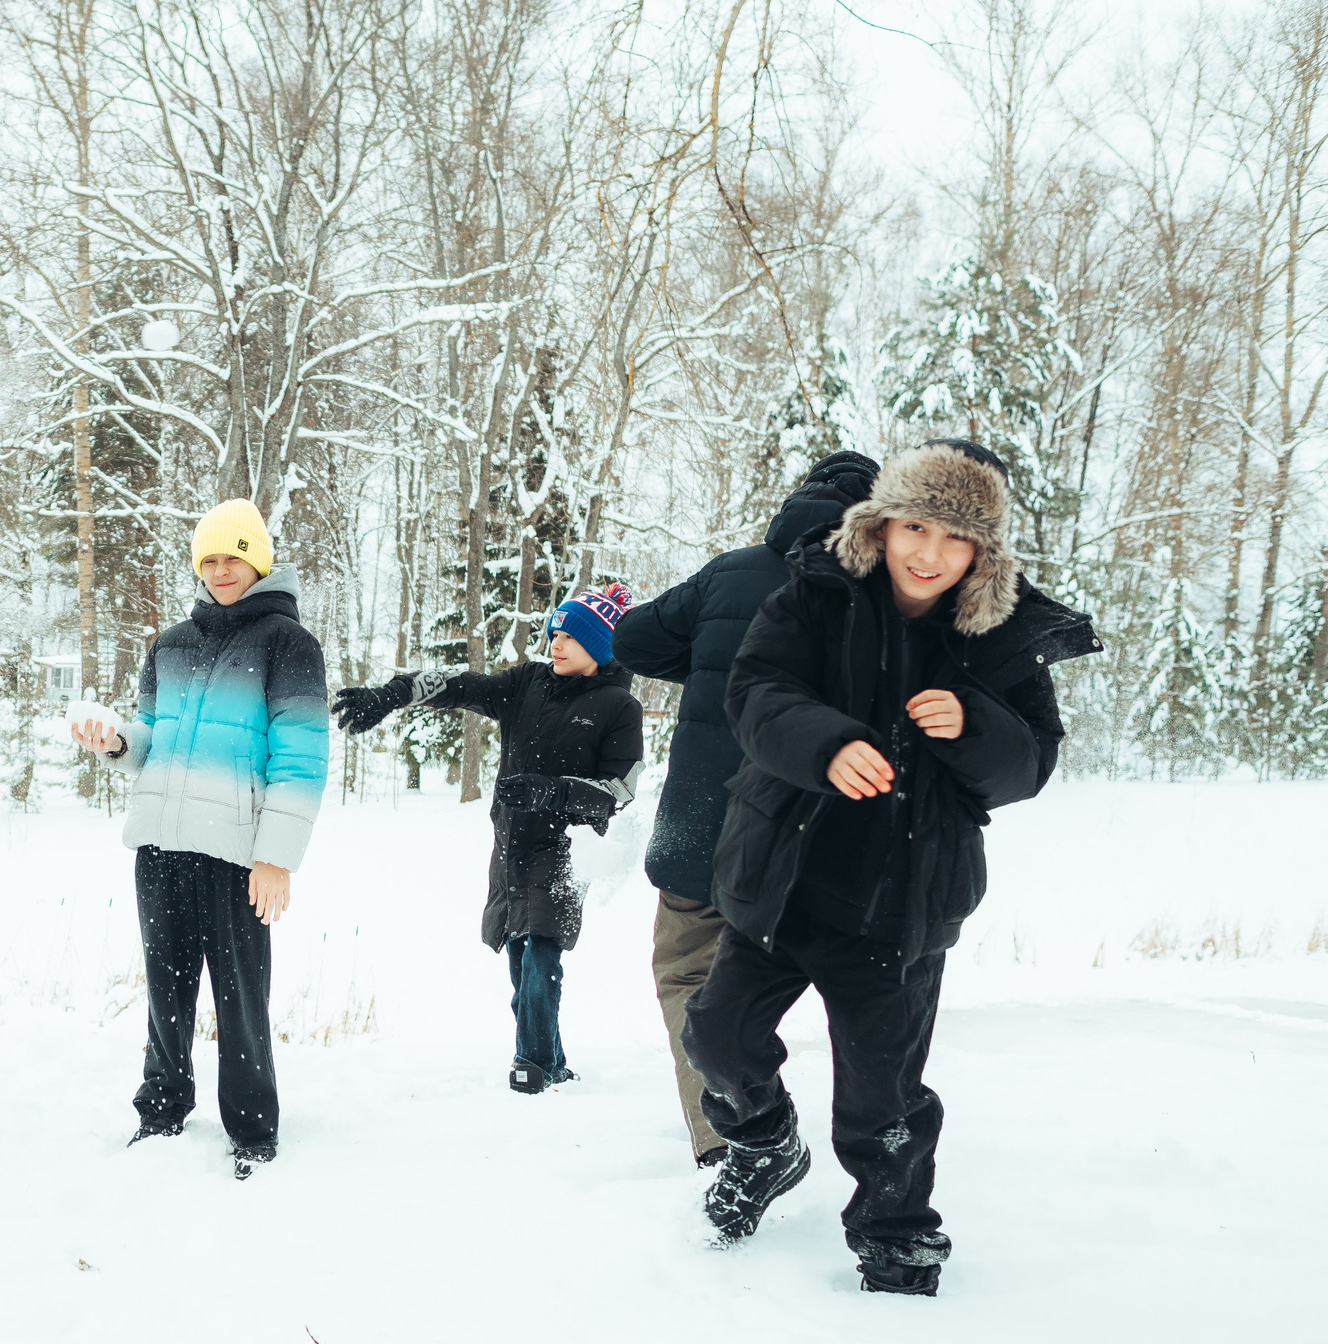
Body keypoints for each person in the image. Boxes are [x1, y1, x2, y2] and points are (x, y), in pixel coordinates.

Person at [683, 439, 1100, 1295]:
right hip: (784, 882)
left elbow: (1031, 765)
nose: (928, 554)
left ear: (983, 553)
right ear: (882, 523)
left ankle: (896, 1233)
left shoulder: (1006, 637)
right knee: (717, 1038)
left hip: (900, 905)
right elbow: (755, 693)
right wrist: (826, 744)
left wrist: (974, 722)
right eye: (915, 526)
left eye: (955, 540)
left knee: (883, 1100)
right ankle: (763, 1144)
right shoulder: (818, 592)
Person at [612, 452, 882, 1165]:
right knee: (856, 995)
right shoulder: (878, 590)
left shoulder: (729, 574)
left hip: (703, 827)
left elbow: (631, 637)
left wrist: (708, 650)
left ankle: (730, 1136)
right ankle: (878, 1152)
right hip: (812, 840)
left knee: (688, 976)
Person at [72, 499, 328, 1179]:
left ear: (259, 559)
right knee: (167, 985)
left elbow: (301, 757)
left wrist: (276, 857)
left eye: (233, 556)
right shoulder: (171, 644)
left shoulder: (288, 645)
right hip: (161, 846)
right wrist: (119, 741)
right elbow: (152, 736)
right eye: (209, 558)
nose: (220, 570)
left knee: (240, 993)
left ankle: (251, 1127)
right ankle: (161, 1107)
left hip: (238, 854)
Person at [333, 583, 645, 1094]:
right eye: (555, 632)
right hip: (511, 845)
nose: (556, 642)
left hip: (568, 851)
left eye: (571, 635)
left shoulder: (618, 707)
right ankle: (555, 1062)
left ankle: (533, 1065)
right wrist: (392, 695)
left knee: (542, 955)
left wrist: (553, 793)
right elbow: (462, 685)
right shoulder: (528, 683)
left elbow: (619, 792)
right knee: (520, 961)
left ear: (601, 647)